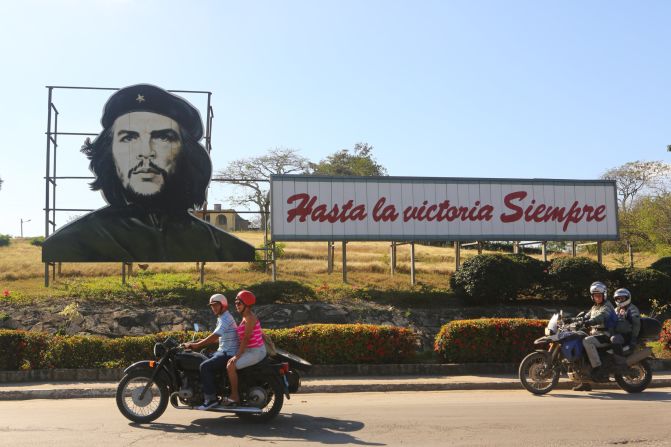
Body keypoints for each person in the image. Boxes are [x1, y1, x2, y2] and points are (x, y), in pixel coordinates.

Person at [42, 83, 255, 263]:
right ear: (108, 152)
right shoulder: (71, 244)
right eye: (129, 138)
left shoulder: (225, 248)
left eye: (163, 138)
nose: (145, 152)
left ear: (187, 152)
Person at [183, 293, 239, 410]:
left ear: (223, 305)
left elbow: (215, 336)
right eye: (211, 305)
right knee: (203, 355)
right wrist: (196, 342)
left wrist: (197, 345)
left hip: (228, 353)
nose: (213, 307)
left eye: (215, 305)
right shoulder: (222, 317)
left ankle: (211, 399)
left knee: (204, 366)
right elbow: (218, 338)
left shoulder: (225, 318)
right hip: (224, 350)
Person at [224, 290, 267, 405]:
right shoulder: (245, 316)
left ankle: (235, 396)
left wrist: (237, 356)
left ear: (247, 305)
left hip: (255, 352)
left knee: (230, 366)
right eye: (236, 303)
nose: (236, 305)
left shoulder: (249, 318)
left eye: (239, 303)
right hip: (249, 350)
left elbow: (246, 338)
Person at [573, 281, 616, 392]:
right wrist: (572, 320)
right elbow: (586, 316)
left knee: (587, 341)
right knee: (580, 343)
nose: (597, 298)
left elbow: (601, 316)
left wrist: (589, 322)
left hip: (606, 335)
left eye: (599, 296)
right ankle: (585, 382)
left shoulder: (607, 306)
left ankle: (598, 368)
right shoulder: (594, 307)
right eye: (595, 296)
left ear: (604, 295)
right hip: (596, 334)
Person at [610, 288, 641, 356]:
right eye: (618, 298)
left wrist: (633, 339)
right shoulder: (616, 309)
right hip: (617, 333)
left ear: (627, 298)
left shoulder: (632, 309)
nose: (620, 300)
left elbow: (636, 324)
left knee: (614, 339)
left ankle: (620, 362)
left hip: (627, 335)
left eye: (622, 298)